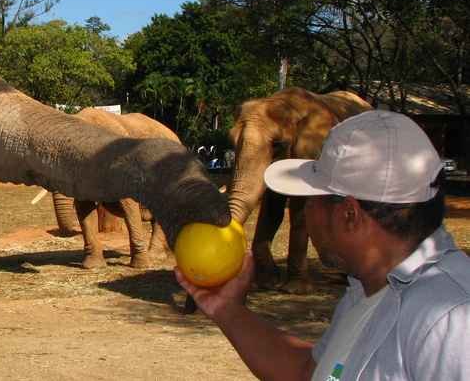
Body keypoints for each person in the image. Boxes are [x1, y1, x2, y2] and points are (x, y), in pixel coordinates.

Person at [175, 110, 469, 381]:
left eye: (311, 200)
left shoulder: (450, 320)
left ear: (349, 215)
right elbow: (311, 373)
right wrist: (228, 309)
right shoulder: (367, 289)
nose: (305, 213)